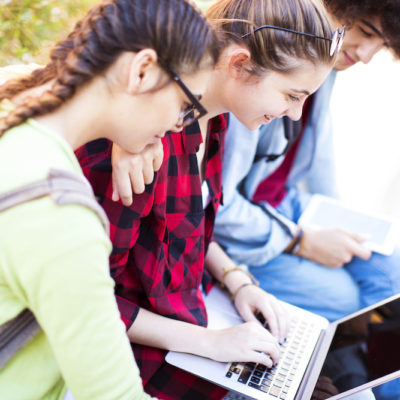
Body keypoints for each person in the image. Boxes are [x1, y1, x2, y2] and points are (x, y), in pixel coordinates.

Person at [76, 0, 342, 398]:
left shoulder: (214, 122)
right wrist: (211, 344)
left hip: (195, 318)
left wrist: (238, 283)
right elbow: (85, 300)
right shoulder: (135, 148)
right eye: (291, 95)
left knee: (320, 383)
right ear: (238, 64)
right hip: (142, 360)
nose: (296, 114)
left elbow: (192, 228)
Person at [0, 0, 220, 398]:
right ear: (141, 70)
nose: (178, 125)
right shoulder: (58, 212)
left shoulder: (13, 105)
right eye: (187, 106)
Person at [211, 1, 400, 399]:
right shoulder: (261, 69)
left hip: (284, 205)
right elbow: (219, 207)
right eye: (365, 31)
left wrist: (340, 226)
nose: (365, 56)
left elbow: (319, 156)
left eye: (380, 45)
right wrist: (302, 241)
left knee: (390, 268)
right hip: (250, 223)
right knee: (343, 298)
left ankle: (364, 371)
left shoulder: (325, 67)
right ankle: (358, 375)